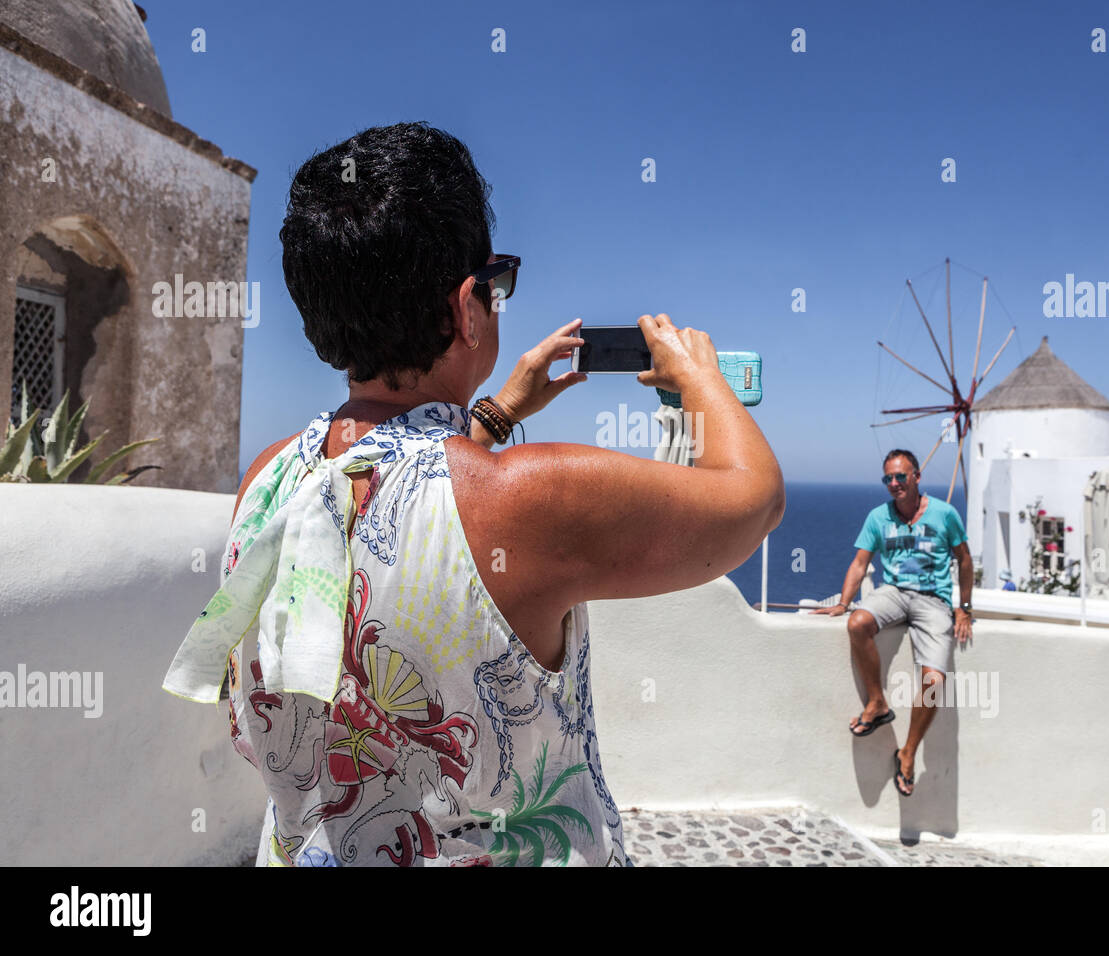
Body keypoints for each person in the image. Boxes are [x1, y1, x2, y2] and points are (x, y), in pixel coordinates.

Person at [161, 122, 785, 866]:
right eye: (496, 283)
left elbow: (395, 496)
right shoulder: (527, 499)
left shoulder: (267, 482)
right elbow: (752, 500)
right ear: (467, 306)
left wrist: (494, 415)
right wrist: (700, 378)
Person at [812, 449, 972, 797]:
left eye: (901, 476)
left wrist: (964, 608)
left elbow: (964, 560)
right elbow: (859, 563)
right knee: (857, 623)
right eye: (889, 478)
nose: (895, 484)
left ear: (916, 476)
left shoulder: (945, 514)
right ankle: (877, 703)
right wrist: (842, 602)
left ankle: (908, 752)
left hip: (934, 601)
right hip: (895, 592)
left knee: (934, 681)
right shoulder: (878, 517)